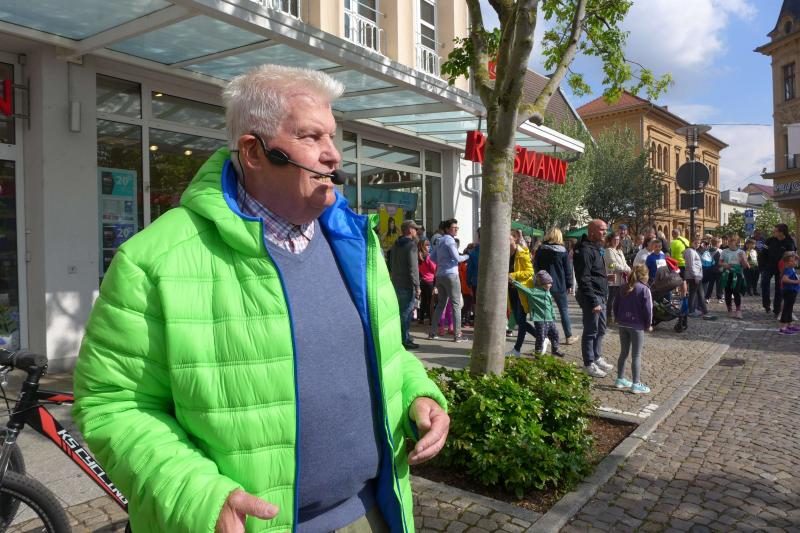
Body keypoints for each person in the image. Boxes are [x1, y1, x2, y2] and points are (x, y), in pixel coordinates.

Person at [72, 65, 449, 533]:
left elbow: (384, 352)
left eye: (332, 136)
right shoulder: (153, 260)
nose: (333, 155)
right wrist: (196, 493)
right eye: (311, 137)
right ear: (254, 152)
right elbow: (112, 404)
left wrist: (415, 395)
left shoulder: (355, 243)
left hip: (371, 513)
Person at [574, 219, 614, 378]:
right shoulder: (585, 250)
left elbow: (594, 273)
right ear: (592, 231)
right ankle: (588, 363)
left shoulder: (596, 247)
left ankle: (597, 357)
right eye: (602, 229)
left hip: (600, 294)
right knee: (591, 330)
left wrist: (605, 278)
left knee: (601, 329)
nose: (605, 232)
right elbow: (583, 278)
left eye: (606, 229)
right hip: (592, 296)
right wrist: (593, 301)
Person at [613, 264, 653, 394]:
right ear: (645, 276)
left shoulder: (623, 287)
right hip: (637, 326)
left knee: (623, 353)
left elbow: (615, 304)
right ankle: (636, 384)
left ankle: (620, 379)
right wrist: (648, 325)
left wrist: (617, 318)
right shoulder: (644, 289)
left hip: (623, 324)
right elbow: (648, 310)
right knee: (636, 355)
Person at [429, 219, 469, 341]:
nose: (456, 229)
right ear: (447, 229)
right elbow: (457, 258)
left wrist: (442, 263)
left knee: (440, 304)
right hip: (451, 275)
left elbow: (432, 257)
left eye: (457, 227)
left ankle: (432, 333)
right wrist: (468, 255)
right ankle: (458, 335)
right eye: (453, 228)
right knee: (456, 305)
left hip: (440, 275)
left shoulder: (439, 240)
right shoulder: (450, 240)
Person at [534, 227, 576, 344]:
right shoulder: (563, 251)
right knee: (563, 310)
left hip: (543, 284)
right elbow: (567, 270)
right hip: (559, 284)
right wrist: (569, 284)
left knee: (544, 312)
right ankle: (568, 336)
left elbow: (536, 267)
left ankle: (545, 337)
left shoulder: (540, 250)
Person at [513, 270, 566, 357]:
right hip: (540, 320)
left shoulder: (548, 292)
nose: (551, 285)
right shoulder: (534, 292)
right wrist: (513, 281)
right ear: (542, 284)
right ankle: (538, 354)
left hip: (550, 320)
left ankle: (555, 349)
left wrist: (553, 315)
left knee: (555, 334)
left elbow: (550, 305)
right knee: (540, 337)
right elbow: (522, 288)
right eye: (549, 283)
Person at [390, 220, 421, 350]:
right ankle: (404, 339)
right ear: (409, 230)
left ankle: (400, 337)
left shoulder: (395, 244)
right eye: (415, 229)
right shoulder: (411, 245)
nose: (416, 231)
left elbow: (390, 263)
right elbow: (413, 268)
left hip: (395, 283)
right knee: (406, 314)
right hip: (407, 284)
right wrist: (417, 286)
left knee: (398, 312)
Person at [506, 233, 536, 356]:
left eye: (508, 237)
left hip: (521, 291)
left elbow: (530, 272)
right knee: (519, 320)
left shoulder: (522, 253)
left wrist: (513, 275)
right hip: (511, 291)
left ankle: (517, 349)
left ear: (515, 239)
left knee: (521, 320)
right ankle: (541, 337)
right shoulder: (504, 253)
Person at [761, 223, 798, 318]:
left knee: (779, 288)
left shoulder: (789, 242)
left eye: (775, 231)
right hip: (768, 266)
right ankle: (766, 305)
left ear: (782, 232)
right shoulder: (770, 240)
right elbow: (763, 253)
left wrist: (786, 269)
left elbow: (791, 256)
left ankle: (777, 310)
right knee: (764, 283)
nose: (773, 232)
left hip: (781, 268)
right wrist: (762, 266)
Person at [684, 237, 715, 320]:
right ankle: (691, 311)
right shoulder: (690, 251)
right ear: (691, 242)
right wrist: (695, 276)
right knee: (693, 294)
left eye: (698, 243)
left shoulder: (694, 251)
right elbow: (691, 265)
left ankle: (705, 311)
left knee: (701, 294)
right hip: (693, 276)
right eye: (695, 243)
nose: (697, 244)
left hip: (698, 276)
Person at [604, 232, 631, 326]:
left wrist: (629, 269)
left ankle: (617, 317)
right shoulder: (608, 251)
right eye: (614, 239)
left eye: (618, 239)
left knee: (620, 299)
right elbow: (613, 265)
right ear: (610, 240)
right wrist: (627, 270)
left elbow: (624, 263)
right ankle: (609, 317)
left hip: (622, 278)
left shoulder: (619, 251)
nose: (616, 241)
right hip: (613, 278)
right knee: (612, 298)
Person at [720, 234, 748, 319]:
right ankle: (730, 310)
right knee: (728, 292)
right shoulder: (724, 251)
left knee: (736, 292)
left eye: (731, 241)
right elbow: (719, 262)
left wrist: (742, 259)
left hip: (737, 274)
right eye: (728, 241)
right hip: (727, 274)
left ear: (736, 242)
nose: (728, 242)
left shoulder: (741, 252)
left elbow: (745, 266)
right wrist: (724, 264)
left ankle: (738, 310)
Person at [778, 251, 800, 335]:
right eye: (791, 261)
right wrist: (796, 282)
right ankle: (783, 327)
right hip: (789, 291)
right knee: (787, 309)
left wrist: (794, 255)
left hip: (792, 291)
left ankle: (790, 325)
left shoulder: (791, 268)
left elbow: (797, 258)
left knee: (790, 308)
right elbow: (784, 279)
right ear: (786, 262)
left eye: (794, 261)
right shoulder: (789, 269)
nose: (794, 262)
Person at [417, 239, 436, 326]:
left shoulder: (418, 256)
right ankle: (431, 320)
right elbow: (434, 269)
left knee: (423, 301)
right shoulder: (428, 257)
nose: (429, 247)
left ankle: (421, 319)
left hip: (422, 281)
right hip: (430, 281)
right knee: (431, 301)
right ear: (423, 246)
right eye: (427, 245)